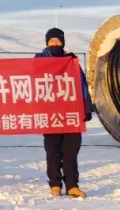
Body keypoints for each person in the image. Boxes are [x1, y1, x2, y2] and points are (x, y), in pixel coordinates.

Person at [36, 28, 92, 198]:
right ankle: (55, 184)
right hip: (50, 114)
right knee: (53, 150)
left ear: (63, 42)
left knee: (70, 151)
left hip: (71, 113)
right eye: (51, 41)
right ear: (47, 42)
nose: (55, 43)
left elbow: (82, 86)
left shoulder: (71, 61)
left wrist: (86, 107)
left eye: (57, 40)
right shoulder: (39, 61)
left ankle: (72, 185)